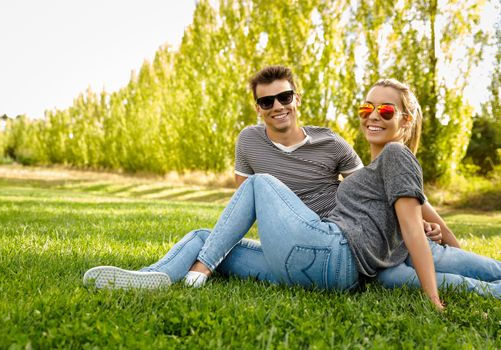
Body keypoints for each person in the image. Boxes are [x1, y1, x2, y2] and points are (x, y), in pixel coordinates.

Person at [83, 68, 465, 299]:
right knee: (205, 236)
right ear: (258, 108)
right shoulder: (248, 141)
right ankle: (152, 278)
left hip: (330, 240)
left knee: (260, 185)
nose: (278, 106)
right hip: (286, 246)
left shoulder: (332, 142)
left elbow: (384, 184)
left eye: (284, 97)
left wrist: (437, 228)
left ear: (296, 99)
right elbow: (240, 208)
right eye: (268, 102)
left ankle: (199, 272)